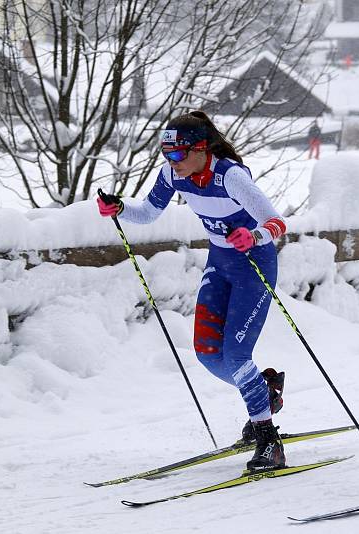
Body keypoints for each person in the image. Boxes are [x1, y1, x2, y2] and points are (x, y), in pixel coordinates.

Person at [97, 111, 289, 472]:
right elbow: (148, 213)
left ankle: (268, 441)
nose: (172, 162)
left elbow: (277, 222)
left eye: (178, 154)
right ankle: (266, 395)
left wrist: (254, 235)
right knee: (207, 353)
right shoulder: (173, 174)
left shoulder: (231, 177)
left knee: (236, 354)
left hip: (253, 264)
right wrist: (120, 208)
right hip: (220, 261)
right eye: (166, 155)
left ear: (201, 149)